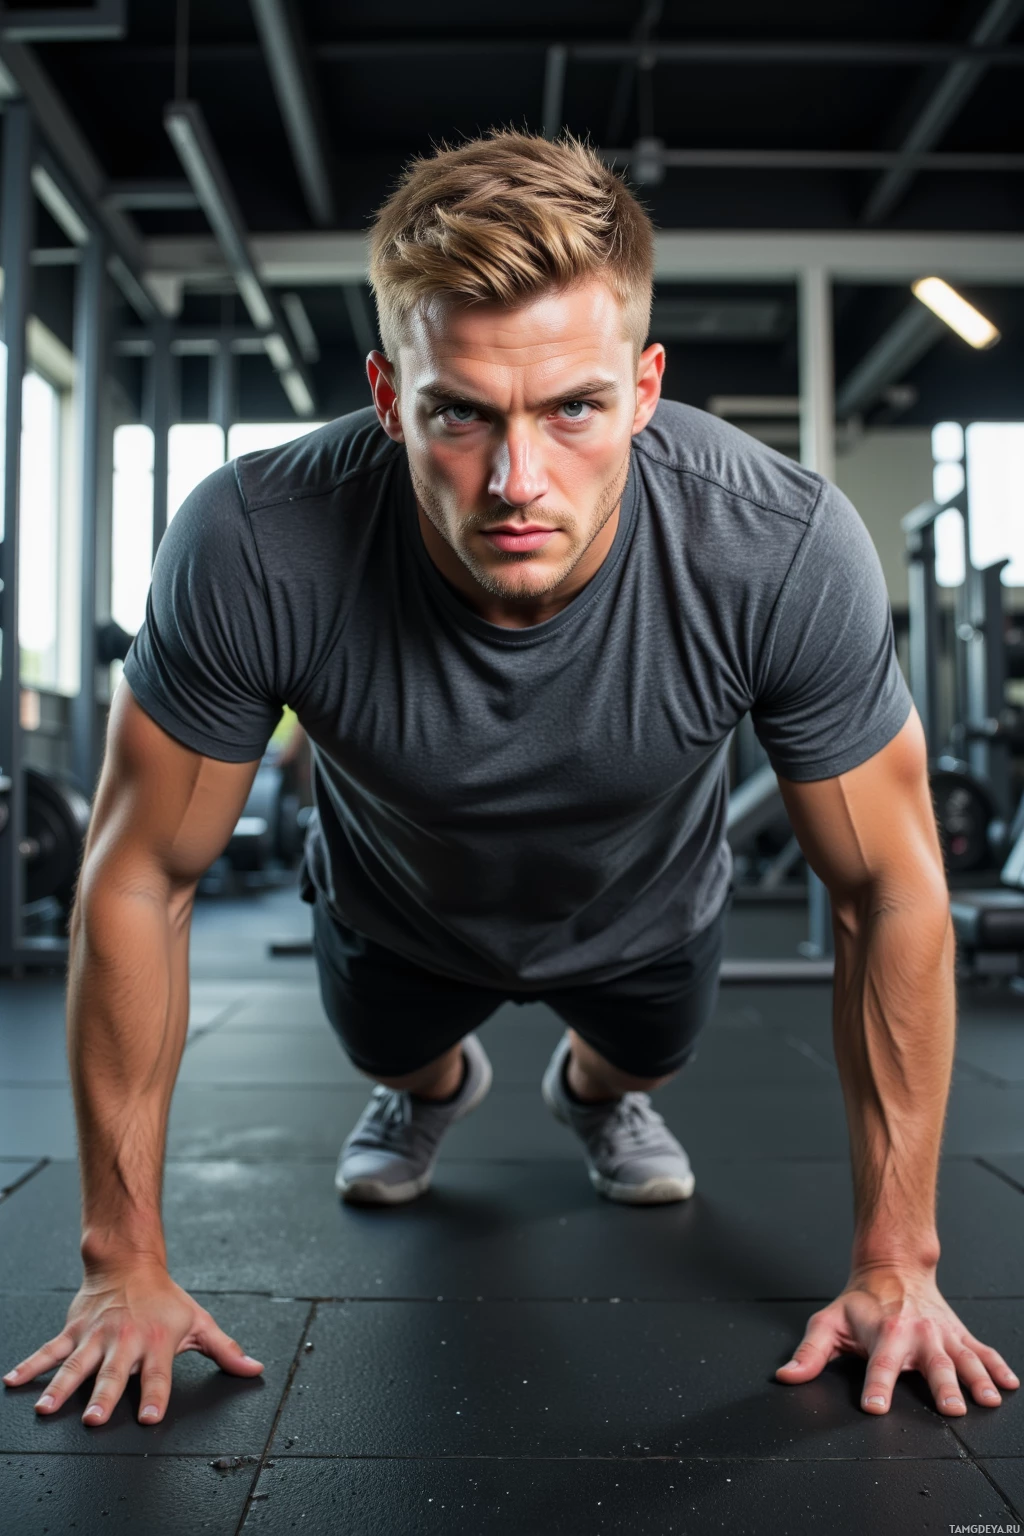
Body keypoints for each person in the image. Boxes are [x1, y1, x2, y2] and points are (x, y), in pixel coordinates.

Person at [4, 130, 1018, 1432]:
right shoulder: (258, 542)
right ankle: (433, 1086)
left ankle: (595, 1096)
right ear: (387, 395)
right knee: (401, 1050)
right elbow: (137, 874)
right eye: (460, 414)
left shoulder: (773, 546)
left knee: (640, 1060)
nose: (516, 482)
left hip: (649, 923)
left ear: (646, 388)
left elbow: (896, 893)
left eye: (575, 409)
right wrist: (120, 1266)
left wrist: (898, 1266)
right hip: (397, 916)